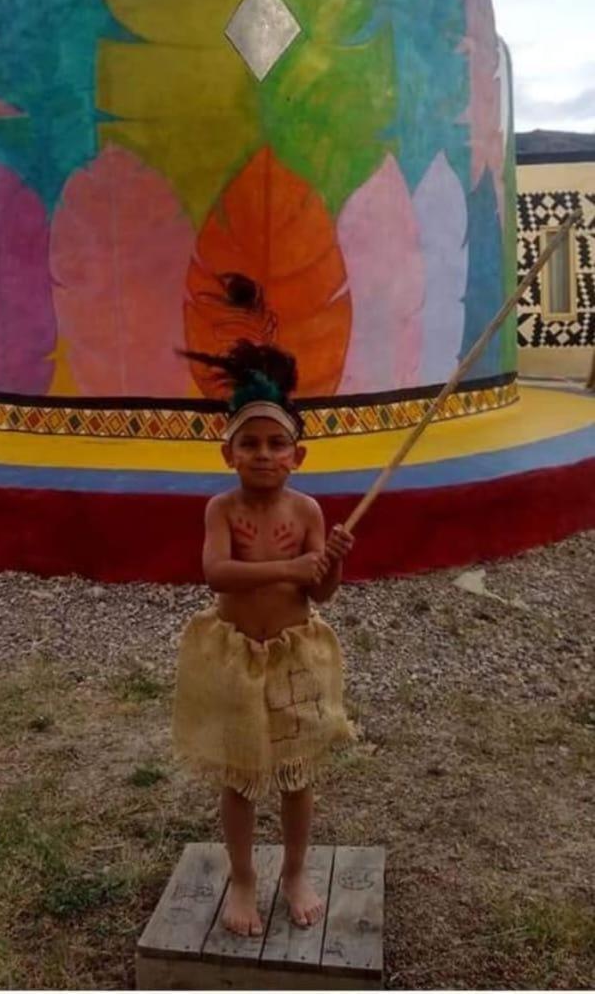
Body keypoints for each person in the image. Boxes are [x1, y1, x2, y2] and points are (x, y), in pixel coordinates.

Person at [172, 341, 355, 937]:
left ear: (297, 455)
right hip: (237, 661)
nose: (263, 454)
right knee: (242, 775)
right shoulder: (221, 510)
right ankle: (245, 876)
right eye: (249, 443)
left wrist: (333, 563)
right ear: (228, 452)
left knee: (297, 775)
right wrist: (287, 570)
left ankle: (296, 871)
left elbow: (320, 594)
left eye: (277, 444)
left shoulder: (307, 513)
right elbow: (216, 574)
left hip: (294, 656)